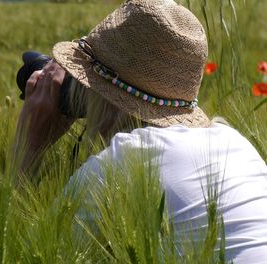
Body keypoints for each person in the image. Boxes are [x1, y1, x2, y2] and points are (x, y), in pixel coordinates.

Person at [13, 0, 267, 262]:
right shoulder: (235, 144)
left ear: (99, 93)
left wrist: (29, 145)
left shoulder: (119, 164)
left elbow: (24, 255)